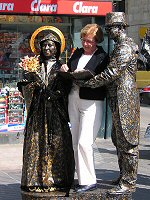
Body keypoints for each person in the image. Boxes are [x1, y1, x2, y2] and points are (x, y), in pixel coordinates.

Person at [81, 12, 140, 194]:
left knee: (127, 142)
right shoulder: (119, 47)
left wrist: (88, 82)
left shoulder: (125, 48)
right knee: (118, 140)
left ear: (121, 27)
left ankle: (129, 181)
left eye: (111, 28)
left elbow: (111, 73)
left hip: (125, 99)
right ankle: (124, 175)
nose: (108, 31)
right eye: (107, 28)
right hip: (117, 98)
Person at [17, 32, 75, 195]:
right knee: (37, 142)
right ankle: (35, 180)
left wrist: (57, 94)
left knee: (57, 142)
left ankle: (58, 179)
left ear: (57, 48)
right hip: (38, 110)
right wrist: (31, 83)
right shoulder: (34, 65)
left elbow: (67, 88)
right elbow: (24, 87)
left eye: (50, 45)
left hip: (56, 111)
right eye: (44, 45)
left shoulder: (62, 66)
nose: (47, 48)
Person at [60, 24, 109, 193]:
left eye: (89, 41)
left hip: (92, 101)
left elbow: (102, 78)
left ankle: (89, 180)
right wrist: (65, 68)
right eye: (84, 40)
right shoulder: (78, 52)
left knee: (84, 142)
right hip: (73, 97)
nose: (86, 44)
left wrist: (84, 76)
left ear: (97, 41)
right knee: (75, 142)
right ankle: (81, 179)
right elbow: (70, 68)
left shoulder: (102, 56)